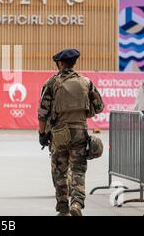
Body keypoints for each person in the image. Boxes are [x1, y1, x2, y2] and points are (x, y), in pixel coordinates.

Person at [38, 49, 103, 216]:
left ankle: (62, 207)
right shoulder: (86, 82)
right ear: (74, 63)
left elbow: (42, 112)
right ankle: (77, 203)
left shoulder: (52, 83)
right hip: (80, 131)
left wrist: (42, 134)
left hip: (59, 133)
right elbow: (99, 106)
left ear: (60, 63)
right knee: (78, 170)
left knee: (59, 170)